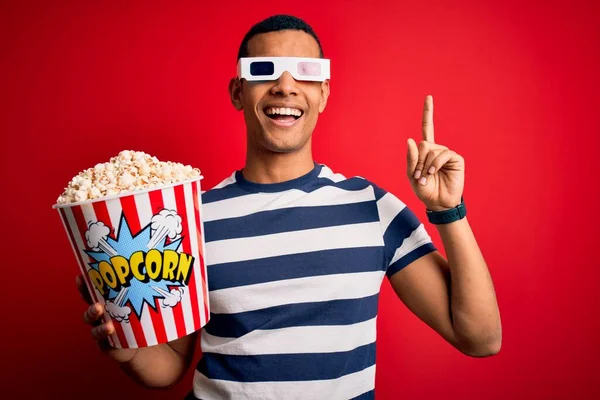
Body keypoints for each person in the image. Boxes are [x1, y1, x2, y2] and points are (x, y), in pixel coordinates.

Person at [77, 14, 501, 400]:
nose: (285, 85)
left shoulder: (371, 207)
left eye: (306, 73)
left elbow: (480, 339)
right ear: (238, 92)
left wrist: (449, 210)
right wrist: (127, 347)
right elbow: (168, 366)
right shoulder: (189, 221)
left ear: (323, 94)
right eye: (262, 71)